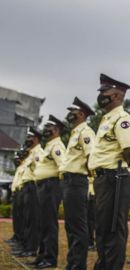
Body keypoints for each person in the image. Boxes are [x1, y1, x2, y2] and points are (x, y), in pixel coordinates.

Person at [89, 73, 130, 270]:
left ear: (117, 95)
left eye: (105, 92)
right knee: (102, 227)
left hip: (115, 178)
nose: (101, 95)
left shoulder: (122, 118)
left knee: (113, 228)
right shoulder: (106, 119)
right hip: (104, 179)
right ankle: (104, 264)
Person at [60, 97, 96, 270]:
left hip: (77, 181)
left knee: (78, 227)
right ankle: (72, 264)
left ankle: (77, 266)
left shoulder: (86, 132)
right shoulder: (75, 132)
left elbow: (91, 157)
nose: (69, 115)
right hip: (69, 182)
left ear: (81, 114)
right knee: (71, 225)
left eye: (72, 111)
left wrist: (85, 177)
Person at [31, 115, 66, 269]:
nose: (45, 130)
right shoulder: (49, 145)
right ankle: (42, 255)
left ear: (57, 130)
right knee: (42, 223)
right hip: (44, 187)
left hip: (50, 186)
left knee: (49, 224)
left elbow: (62, 166)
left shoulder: (57, 146)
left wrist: (57, 187)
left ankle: (50, 258)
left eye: (49, 127)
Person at [15, 127, 42, 258]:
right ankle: (26, 247)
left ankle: (31, 248)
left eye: (30, 137)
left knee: (32, 220)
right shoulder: (31, 153)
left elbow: (39, 170)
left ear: (36, 139)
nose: (28, 140)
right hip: (26, 187)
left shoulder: (37, 152)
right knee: (26, 219)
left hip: (33, 187)